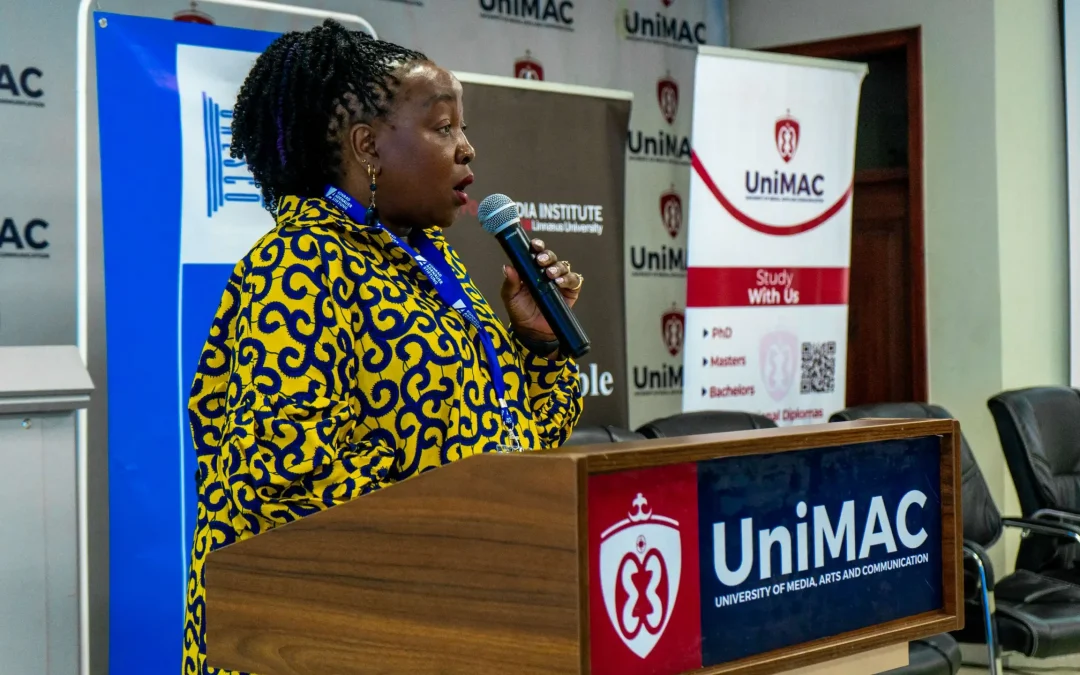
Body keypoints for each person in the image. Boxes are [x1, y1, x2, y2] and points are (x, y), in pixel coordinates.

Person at [182, 20, 585, 675]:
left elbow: (517, 444)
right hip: (319, 640)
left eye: (463, 127)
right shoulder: (299, 266)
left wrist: (538, 345)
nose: (467, 149)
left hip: (446, 618)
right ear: (367, 145)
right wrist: (460, 520)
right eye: (443, 126)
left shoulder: (430, 263)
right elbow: (279, 487)